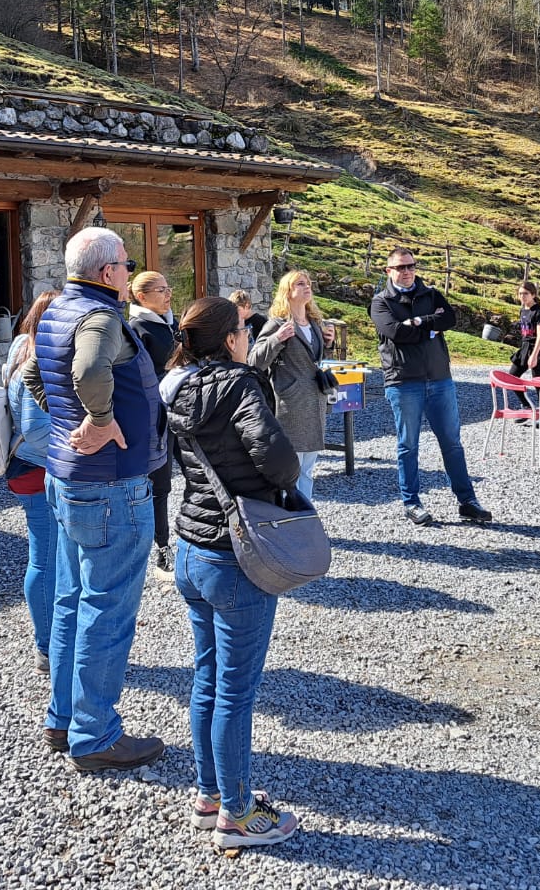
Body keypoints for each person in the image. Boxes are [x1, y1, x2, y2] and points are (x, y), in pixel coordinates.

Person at [22, 226, 165, 773]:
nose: (130, 274)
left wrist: (68, 423)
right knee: (106, 609)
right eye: (127, 265)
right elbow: (85, 370)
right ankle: (95, 736)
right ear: (108, 272)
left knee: (71, 599)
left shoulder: (59, 309)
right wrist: (99, 422)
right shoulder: (102, 317)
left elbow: (35, 371)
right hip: (109, 486)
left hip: (70, 476)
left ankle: (63, 720)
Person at [161, 296, 301, 850]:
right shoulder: (239, 385)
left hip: (192, 548)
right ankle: (238, 815)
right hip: (236, 554)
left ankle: (210, 794)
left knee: (207, 677)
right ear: (229, 338)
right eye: (244, 327)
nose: (249, 334)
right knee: (236, 691)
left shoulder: (176, 388)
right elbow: (281, 460)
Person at [369, 247, 491, 527]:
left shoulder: (432, 294)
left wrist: (419, 321)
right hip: (403, 383)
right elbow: (396, 333)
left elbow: (449, 319)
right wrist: (430, 329)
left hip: (439, 380)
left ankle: (467, 502)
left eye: (411, 265)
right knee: (408, 446)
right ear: (389, 271)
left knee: (452, 444)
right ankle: (412, 503)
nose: (407, 271)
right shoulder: (380, 302)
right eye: (401, 267)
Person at [4, 290, 59, 675]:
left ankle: (54, 640)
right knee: (45, 559)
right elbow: (36, 431)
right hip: (36, 470)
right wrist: (80, 439)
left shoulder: (21, 349)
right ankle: (46, 647)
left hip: (26, 468)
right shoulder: (36, 361)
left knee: (50, 557)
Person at [248, 269, 331, 505]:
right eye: (300, 284)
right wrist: (277, 339)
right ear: (288, 292)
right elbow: (254, 361)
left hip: (315, 402)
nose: (307, 287)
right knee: (290, 467)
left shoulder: (315, 323)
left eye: (309, 283)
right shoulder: (276, 324)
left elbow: (314, 360)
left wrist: (328, 343)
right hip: (291, 405)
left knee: (308, 468)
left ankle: (305, 514)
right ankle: (287, 516)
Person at [128, 270, 178, 575]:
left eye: (169, 287)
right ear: (141, 296)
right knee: (156, 483)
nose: (168, 294)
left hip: (176, 410)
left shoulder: (169, 324)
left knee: (172, 482)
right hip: (153, 416)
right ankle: (159, 545)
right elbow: (140, 377)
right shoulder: (137, 328)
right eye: (161, 290)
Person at [506, 281, 540, 413]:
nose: (523, 296)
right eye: (520, 293)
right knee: (512, 377)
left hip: (538, 349)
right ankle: (527, 406)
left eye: (526, 293)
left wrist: (534, 356)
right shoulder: (523, 310)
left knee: (538, 382)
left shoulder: (539, 312)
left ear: (533, 294)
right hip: (525, 347)